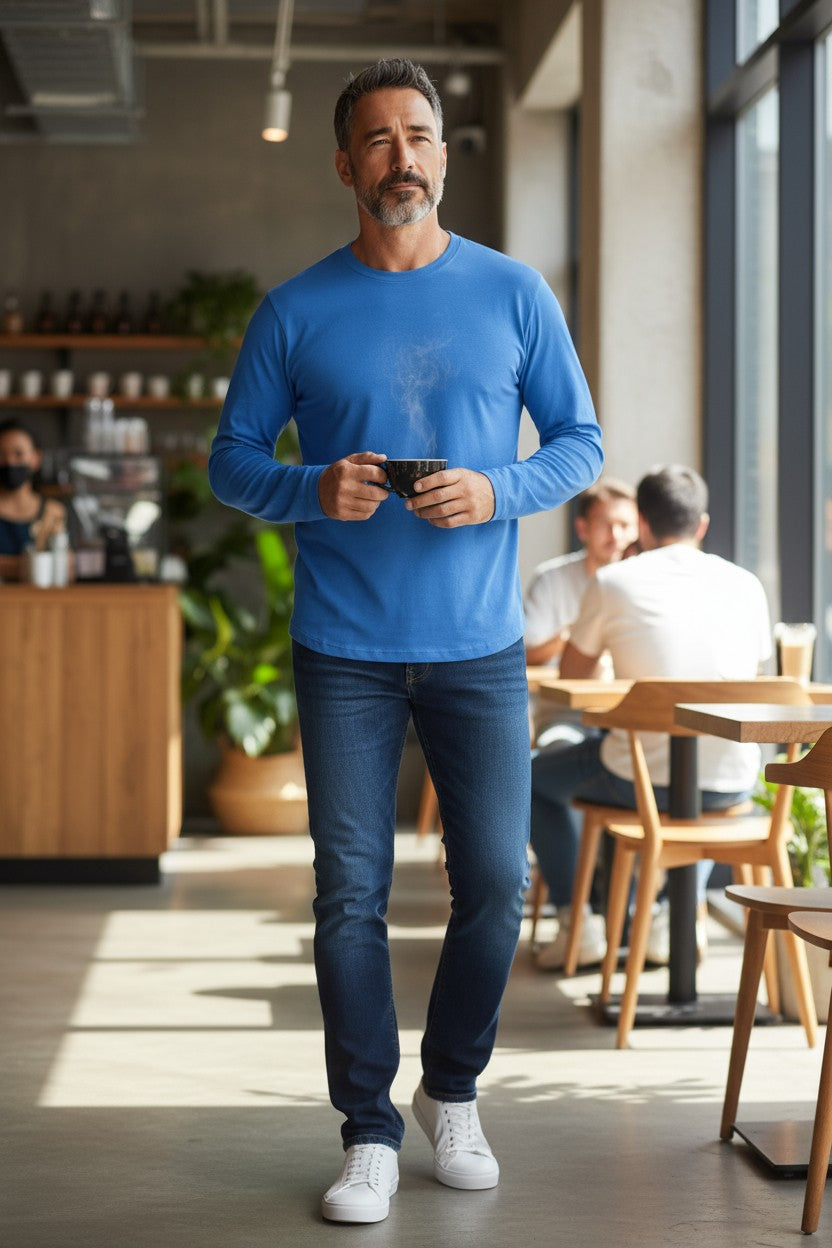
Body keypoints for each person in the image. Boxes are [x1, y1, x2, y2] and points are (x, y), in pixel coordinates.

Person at [208, 58, 602, 1225]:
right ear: (346, 164)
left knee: (496, 880)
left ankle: (452, 1090)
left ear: (441, 152)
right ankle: (368, 1130)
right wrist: (307, 490)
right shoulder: (294, 310)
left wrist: (496, 490)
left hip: (478, 645)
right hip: (344, 649)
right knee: (350, 895)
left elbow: (578, 442)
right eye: (378, 139)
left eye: (419, 134)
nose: (402, 156)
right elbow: (232, 461)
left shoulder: (514, 292)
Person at [529, 465, 772, 970]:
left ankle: (578, 922)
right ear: (701, 525)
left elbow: (573, 676)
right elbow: (753, 675)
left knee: (528, 780)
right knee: (688, 799)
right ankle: (667, 916)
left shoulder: (614, 581)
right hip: (732, 780)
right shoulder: (747, 585)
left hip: (635, 778)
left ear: (640, 524)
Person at [524, 478, 637, 670]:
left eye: (625, 525)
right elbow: (525, 655)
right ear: (582, 528)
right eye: (605, 524)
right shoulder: (550, 580)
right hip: (558, 689)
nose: (615, 536)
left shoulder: (647, 581)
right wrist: (580, 636)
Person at [0, 419, 68, 582]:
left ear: (36, 458)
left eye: (18, 454)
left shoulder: (53, 512)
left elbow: (67, 569)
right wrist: (37, 565)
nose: (9, 462)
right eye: (1, 454)